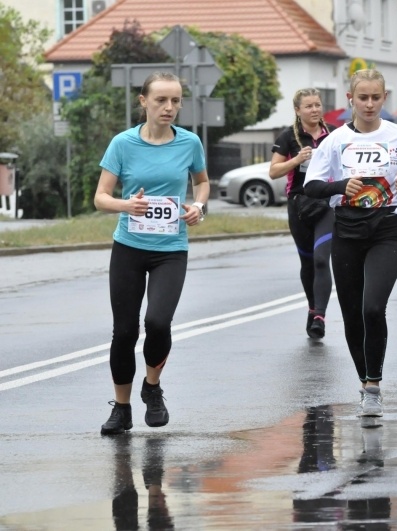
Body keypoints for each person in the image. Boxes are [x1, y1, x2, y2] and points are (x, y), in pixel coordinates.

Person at [94, 71, 209, 435]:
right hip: (129, 247)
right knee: (124, 331)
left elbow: (202, 182)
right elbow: (101, 197)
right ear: (143, 101)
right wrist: (126, 205)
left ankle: (153, 387)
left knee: (158, 322)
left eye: (176, 100)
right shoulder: (123, 144)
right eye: (161, 100)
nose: (170, 107)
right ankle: (122, 408)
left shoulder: (189, 143)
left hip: (170, 250)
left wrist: (198, 206)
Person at [304, 69, 397, 417]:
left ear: (384, 98)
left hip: (387, 226)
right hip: (347, 229)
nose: (369, 104)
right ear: (350, 100)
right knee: (353, 314)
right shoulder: (335, 140)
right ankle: (364, 377)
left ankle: (373, 385)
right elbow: (311, 186)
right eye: (363, 98)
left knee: (373, 307)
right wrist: (341, 187)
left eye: (375, 97)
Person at [270, 88, 335, 338]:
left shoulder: (333, 135)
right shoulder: (289, 136)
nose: (315, 110)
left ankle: (320, 315)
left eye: (317, 105)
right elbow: (274, 172)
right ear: (298, 110)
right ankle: (311, 307)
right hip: (299, 205)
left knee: (321, 259)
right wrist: (296, 160)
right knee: (307, 261)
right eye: (308, 106)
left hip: (326, 204)